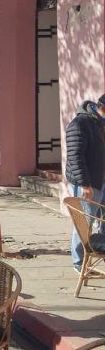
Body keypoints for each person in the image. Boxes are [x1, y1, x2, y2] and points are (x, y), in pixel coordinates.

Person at [64, 96, 105, 272]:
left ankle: (98, 252)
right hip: (88, 183)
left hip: (101, 180)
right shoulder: (80, 124)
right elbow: (75, 156)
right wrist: (84, 184)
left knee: (101, 221)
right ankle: (79, 262)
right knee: (84, 222)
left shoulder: (99, 124)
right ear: (100, 106)